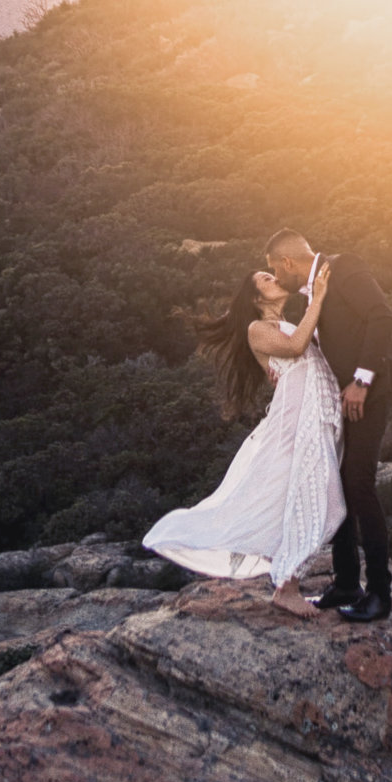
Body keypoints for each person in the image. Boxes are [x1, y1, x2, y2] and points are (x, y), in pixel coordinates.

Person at [142, 260, 346, 617]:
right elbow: (297, 347)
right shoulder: (257, 328)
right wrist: (320, 298)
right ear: (255, 297)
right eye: (266, 278)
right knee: (313, 501)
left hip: (311, 422)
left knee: (306, 502)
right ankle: (287, 586)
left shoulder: (285, 323)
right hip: (292, 428)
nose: (274, 278)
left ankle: (287, 582)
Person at [266, 230, 392, 623]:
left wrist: (361, 381)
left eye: (275, 269)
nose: (275, 278)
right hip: (338, 400)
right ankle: (346, 583)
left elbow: (382, 318)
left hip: (368, 394)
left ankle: (380, 593)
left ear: (289, 263)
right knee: (336, 482)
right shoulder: (314, 290)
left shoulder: (343, 267)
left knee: (359, 484)